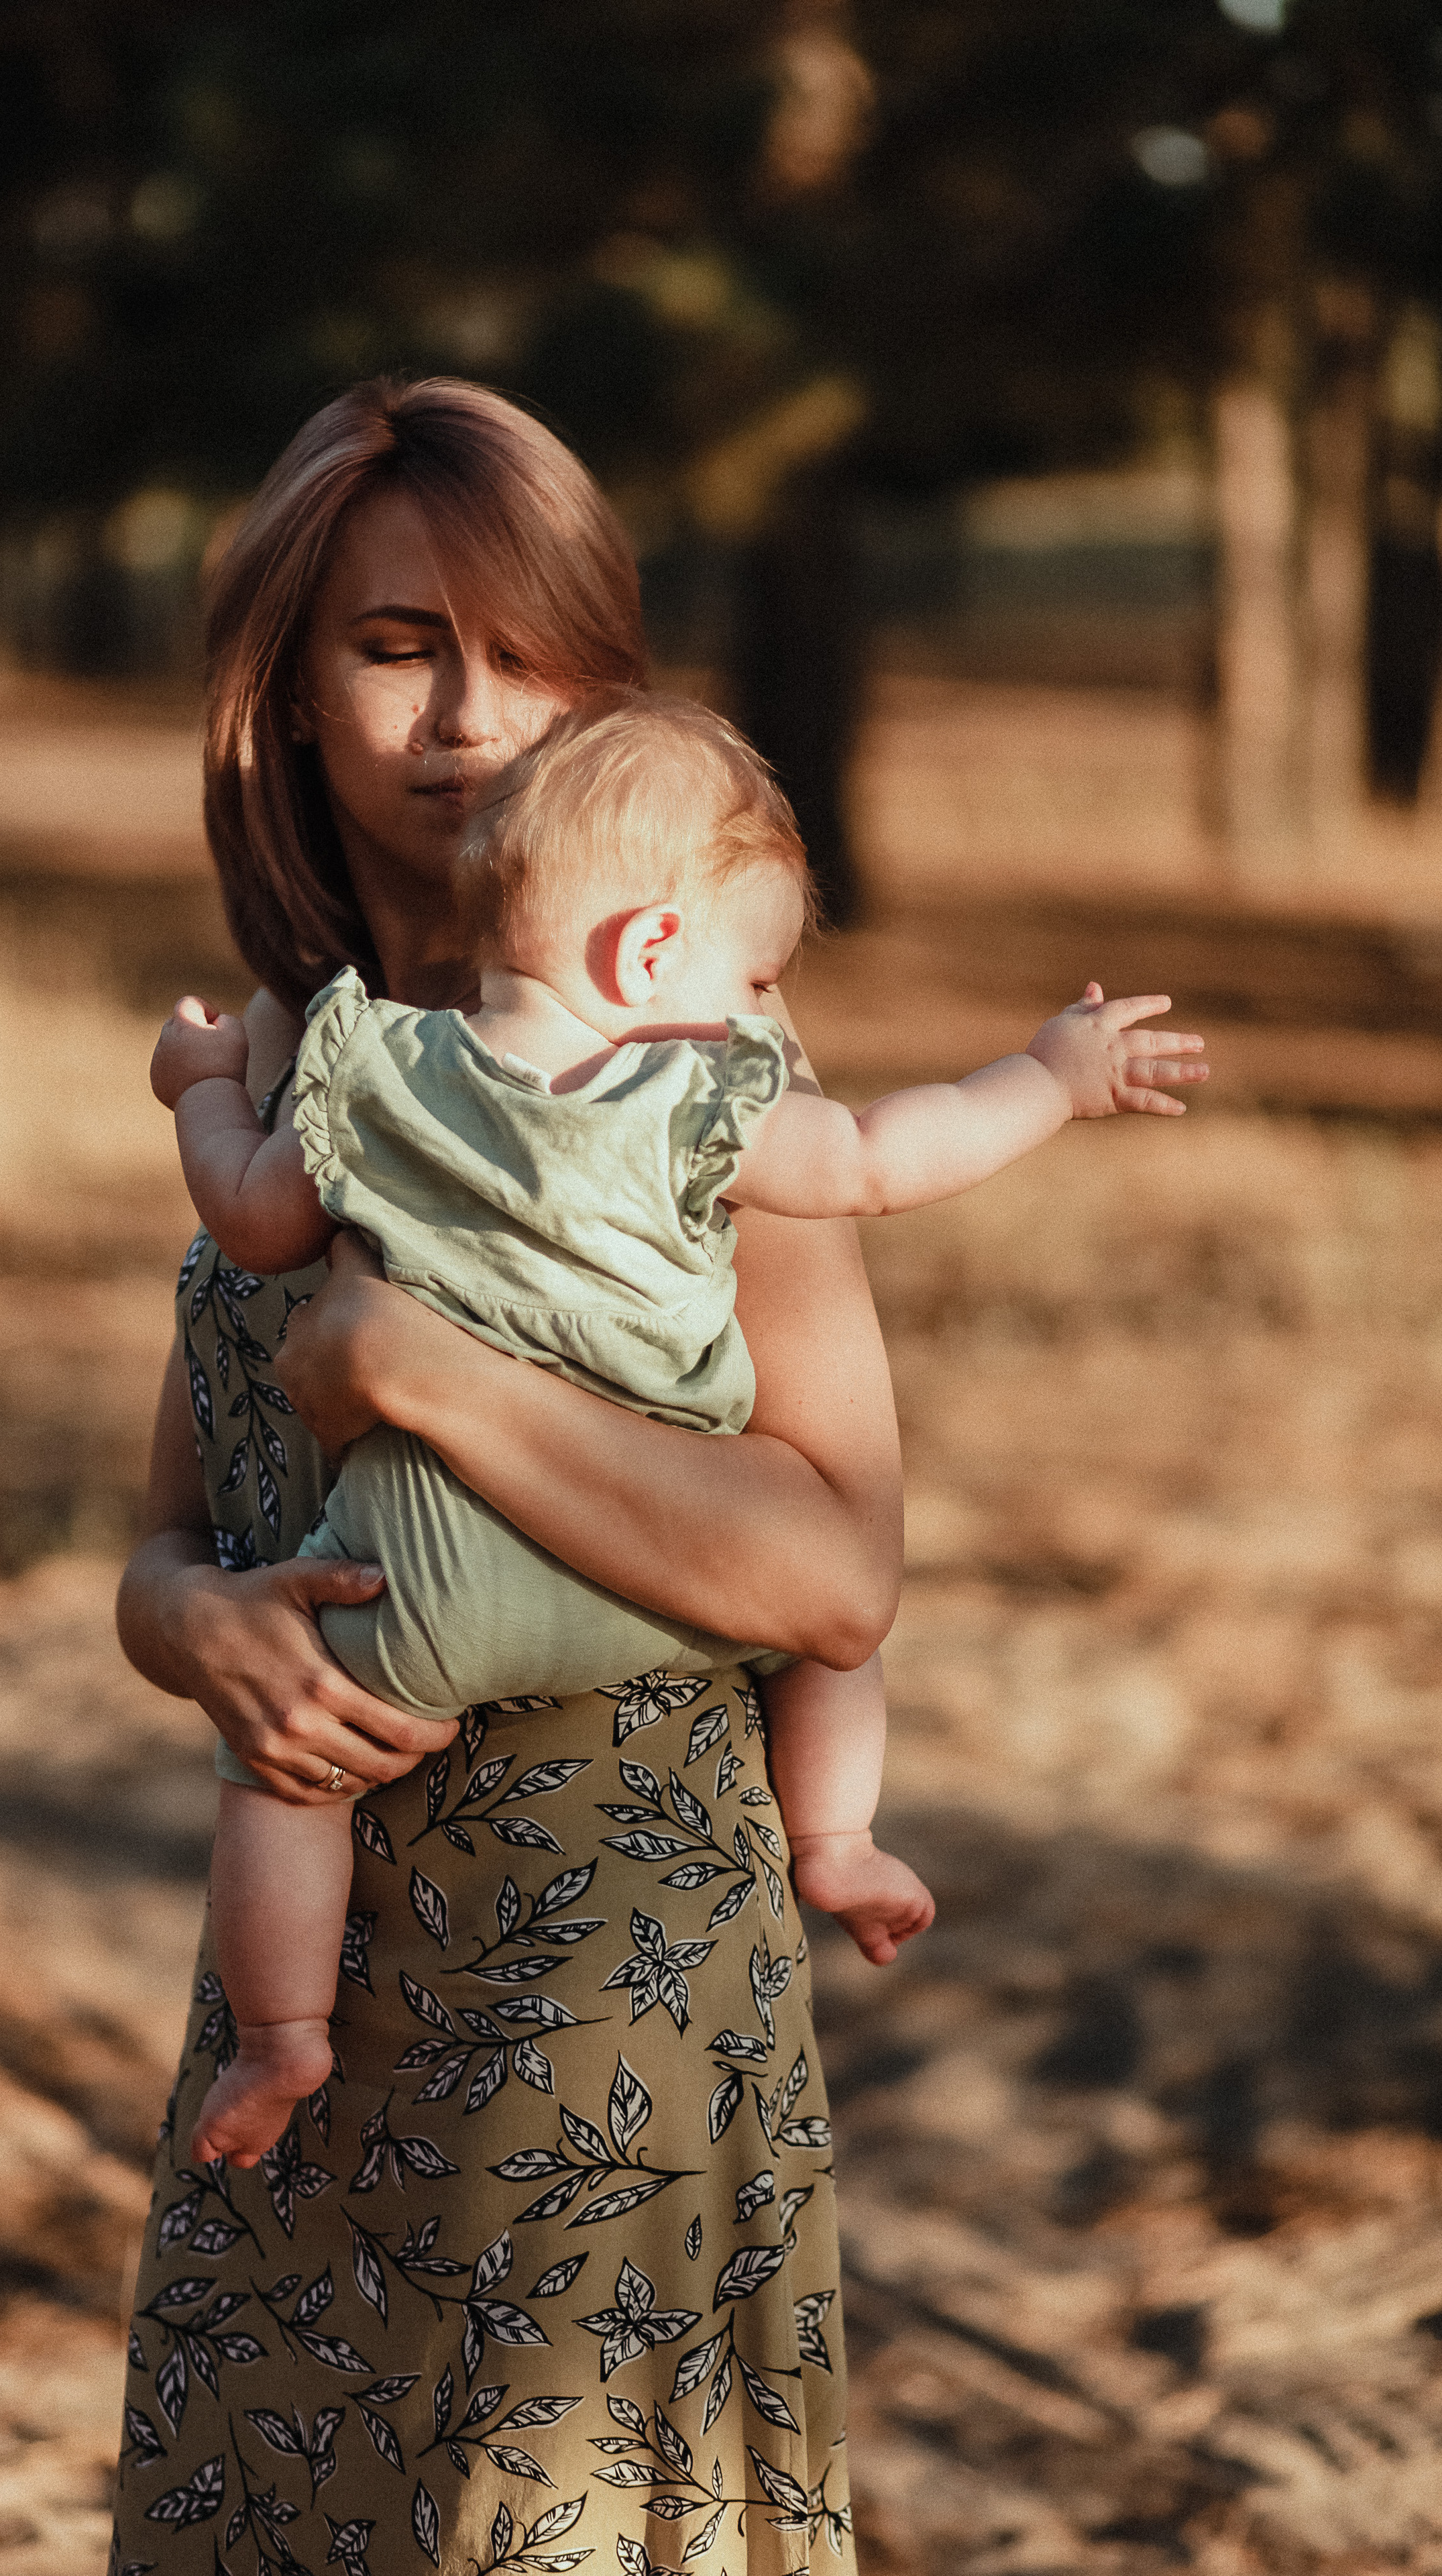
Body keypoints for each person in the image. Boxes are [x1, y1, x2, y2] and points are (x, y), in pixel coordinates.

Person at [114, 375, 901, 2576]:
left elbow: (836, 1578)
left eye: (531, 646)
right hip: (297, 2011)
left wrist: (428, 1372)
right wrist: (199, 1630)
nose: (474, 708)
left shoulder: (704, 1077)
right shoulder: (277, 1066)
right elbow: (175, 1531)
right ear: (285, 687)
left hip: (607, 1998)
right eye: (395, 642)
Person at [149, 691, 1205, 2173]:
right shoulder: (695, 1093)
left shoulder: (371, 1065)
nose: (769, 1014)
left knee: (284, 1778)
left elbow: (253, 1218)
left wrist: (202, 1097)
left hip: (410, 1602)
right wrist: (1050, 1077)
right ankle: (836, 1837)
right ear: (650, 953)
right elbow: (878, 1162)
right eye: (760, 977)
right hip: (666, 1598)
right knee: (832, 1652)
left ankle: (279, 2037)